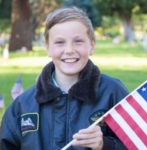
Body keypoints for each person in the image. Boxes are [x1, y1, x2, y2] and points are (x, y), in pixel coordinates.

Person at [0, 6, 129, 150]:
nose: (69, 50)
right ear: (47, 47)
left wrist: (106, 145)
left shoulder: (112, 93)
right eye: (60, 42)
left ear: (92, 45)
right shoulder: (23, 105)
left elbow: (139, 143)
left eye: (78, 41)